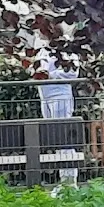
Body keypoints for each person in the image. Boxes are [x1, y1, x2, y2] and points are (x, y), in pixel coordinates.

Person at [37, 45, 80, 193]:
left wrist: (50, 75)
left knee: (65, 140)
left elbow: (73, 73)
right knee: (56, 140)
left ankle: (69, 182)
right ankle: (64, 181)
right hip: (45, 97)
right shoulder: (43, 49)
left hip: (60, 96)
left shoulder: (67, 49)